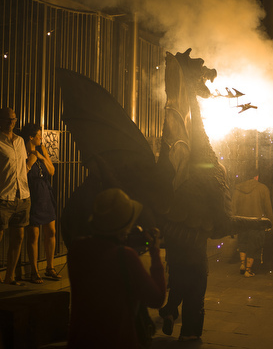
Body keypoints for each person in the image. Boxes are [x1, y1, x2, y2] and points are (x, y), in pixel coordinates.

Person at [67, 188, 165, 349]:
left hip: (81, 340)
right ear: (125, 227)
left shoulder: (77, 248)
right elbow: (157, 298)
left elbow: (102, 250)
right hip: (117, 341)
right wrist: (155, 252)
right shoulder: (125, 257)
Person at [0, 107, 31, 285]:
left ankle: (9, 276)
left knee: (18, 237)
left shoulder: (20, 141)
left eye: (13, 119)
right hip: (4, 197)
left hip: (22, 196)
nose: (11, 122)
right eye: (7, 119)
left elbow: (22, 168)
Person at [21, 123, 58, 284]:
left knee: (51, 231)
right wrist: (30, 160)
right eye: (39, 135)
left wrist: (42, 157)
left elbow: (51, 171)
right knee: (33, 234)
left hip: (45, 192)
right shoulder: (22, 151)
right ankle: (34, 271)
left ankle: (50, 267)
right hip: (32, 193)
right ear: (31, 137)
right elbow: (22, 173)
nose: (41, 138)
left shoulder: (42, 149)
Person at [232, 169, 273, 277]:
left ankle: (242, 264)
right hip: (257, 222)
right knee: (254, 245)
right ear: (256, 177)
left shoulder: (238, 189)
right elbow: (268, 207)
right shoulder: (263, 188)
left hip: (241, 221)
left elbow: (233, 206)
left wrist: (232, 220)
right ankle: (248, 270)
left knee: (242, 242)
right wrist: (270, 222)